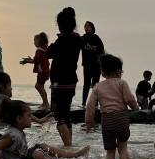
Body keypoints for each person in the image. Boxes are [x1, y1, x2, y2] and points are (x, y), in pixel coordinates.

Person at [0, 100, 89, 159]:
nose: (31, 119)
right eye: (29, 116)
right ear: (19, 119)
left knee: (42, 146)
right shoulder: (12, 135)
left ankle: (73, 155)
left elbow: (25, 114)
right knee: (38, 154)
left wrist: (41, 120)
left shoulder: (18, 130)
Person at [84, 54, 139, 159]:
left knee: (110, 152)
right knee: (123, 148)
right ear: (119, 71)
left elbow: (90, 106)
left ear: (103, 72)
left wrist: (89, 122)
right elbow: (129, 99)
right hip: (121, 119)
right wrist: (135, 108)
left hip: (107, 121)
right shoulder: (121, 83)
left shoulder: (98, 87)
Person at [45, 8, 83, 146]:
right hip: (71, 81)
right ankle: (70, 143)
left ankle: (67, 146)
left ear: (60, 25)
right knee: (66, 113)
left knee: (59, 115)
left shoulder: (60, 41)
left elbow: (48, 54)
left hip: (59, 82)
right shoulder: (78, 39)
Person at [20, 32, 51, 110]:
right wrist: (29, 60)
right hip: (45, 71)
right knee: (41, 86)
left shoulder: (39, 51)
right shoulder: (43, 50)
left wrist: (27, 61)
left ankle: (46, 103)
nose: (33, 42)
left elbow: (35, 61)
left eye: (34, 41)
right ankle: (45, 103)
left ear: (38, 42)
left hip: (42, 72)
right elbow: (36, 60)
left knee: (38, 86)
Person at [80, 21, 105, 106]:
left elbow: (101, 49)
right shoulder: (82, 38)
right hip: (86, 65)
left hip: (96, 65)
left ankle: (95, 104)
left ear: (92, 28)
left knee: (95, 85)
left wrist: (92, 48)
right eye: (85, 26)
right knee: (86, 85)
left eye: (89, 26)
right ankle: (83, 103)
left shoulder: (96, 37)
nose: (87, 27)